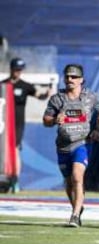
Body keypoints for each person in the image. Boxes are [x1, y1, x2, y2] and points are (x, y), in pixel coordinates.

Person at [43, 64, 99, 227]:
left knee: (77, 176)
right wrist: (54, 119)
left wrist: (98, 129)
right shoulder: (57, 99)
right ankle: (77, 208)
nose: (70, 79)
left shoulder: (90, 97)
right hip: (63, 146)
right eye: (67, 77)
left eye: (74, 77)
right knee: (69, 182)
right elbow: (46, 120)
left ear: (81, 80)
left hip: (83, 143)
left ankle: (75, 216)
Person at [1, 57, 51, 193]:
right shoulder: (3, 85)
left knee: (15, 150)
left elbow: (39, 95)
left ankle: (14, 180)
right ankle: (4, 179)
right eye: (16, 69)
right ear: (11, 69)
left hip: (17, 124)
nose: (18, 72)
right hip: (3, 124)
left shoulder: (25, 85)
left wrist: (47, 93)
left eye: (20, 70)